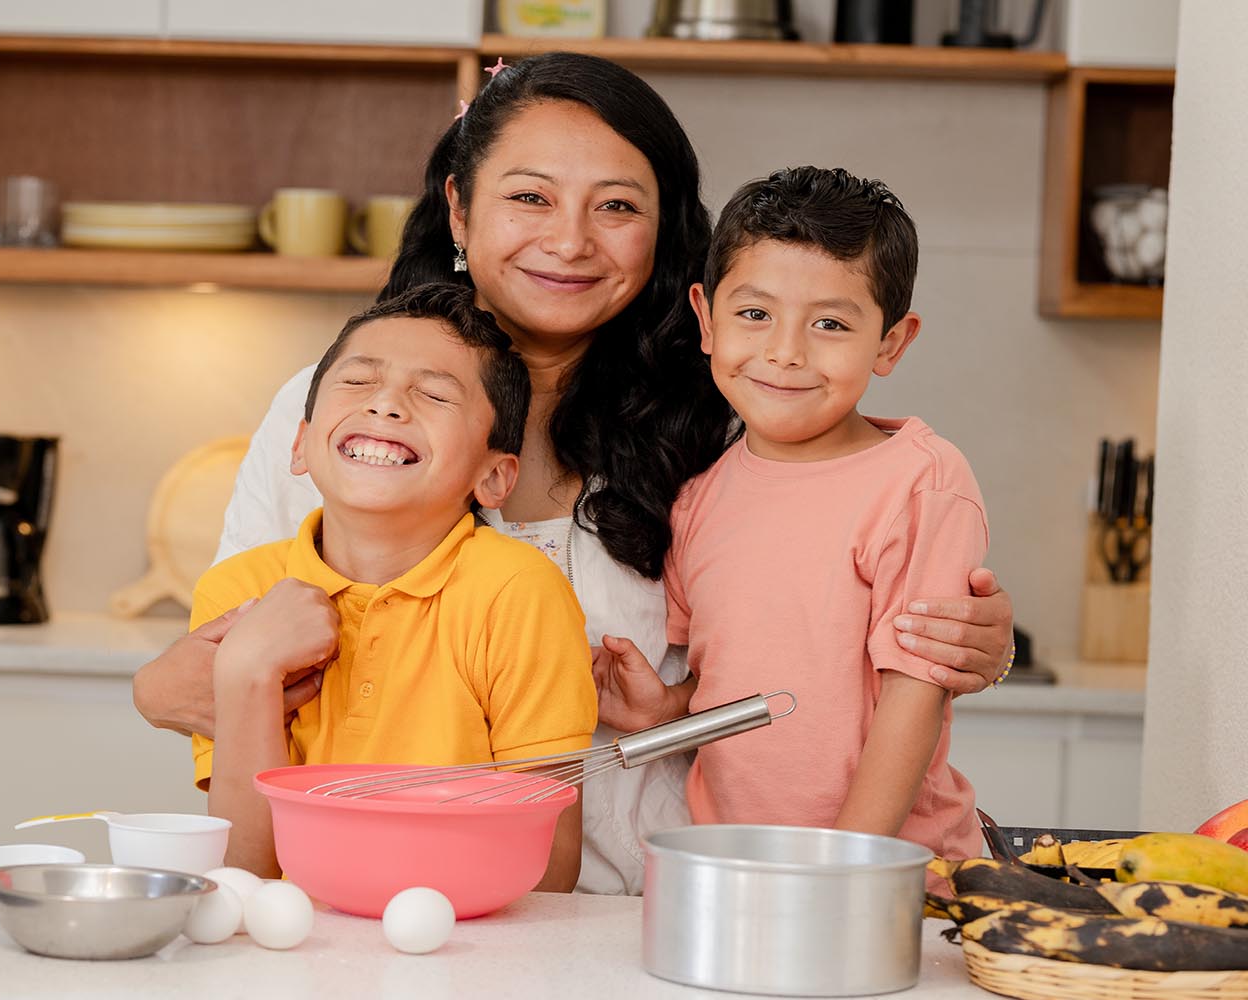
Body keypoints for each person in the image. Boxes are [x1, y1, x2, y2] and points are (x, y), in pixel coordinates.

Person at [134, 52, 1014, 895]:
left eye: (617, 206)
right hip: (391, 898)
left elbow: (832, 631)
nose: (569, 240)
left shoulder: (734, 415)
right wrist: (156, 688)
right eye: (529, 196)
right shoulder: (352, 415)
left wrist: (972, 644)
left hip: (665, 902)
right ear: (459, 209)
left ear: (666, 230)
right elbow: (233, 660)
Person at [596, 166, 984, 860]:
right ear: (706, 319)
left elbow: (914, 697)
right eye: (755, 314)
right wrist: (667, 708)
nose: (784, 352)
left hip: (894, 878)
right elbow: (734, 683)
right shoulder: (698, 496)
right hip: (739, 868)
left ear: (891, 342)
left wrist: (843, 869)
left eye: (830, 323)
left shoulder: (920, 482)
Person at [192, 283, 596, 888]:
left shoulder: (519, 591)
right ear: (299, 445)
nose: (385, 404)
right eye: (358, 381)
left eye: (434, 394)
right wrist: (247, 671)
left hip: (463, 933)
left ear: (494, 477)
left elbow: (548, 869)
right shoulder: (238, 590)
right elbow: (246, 870)